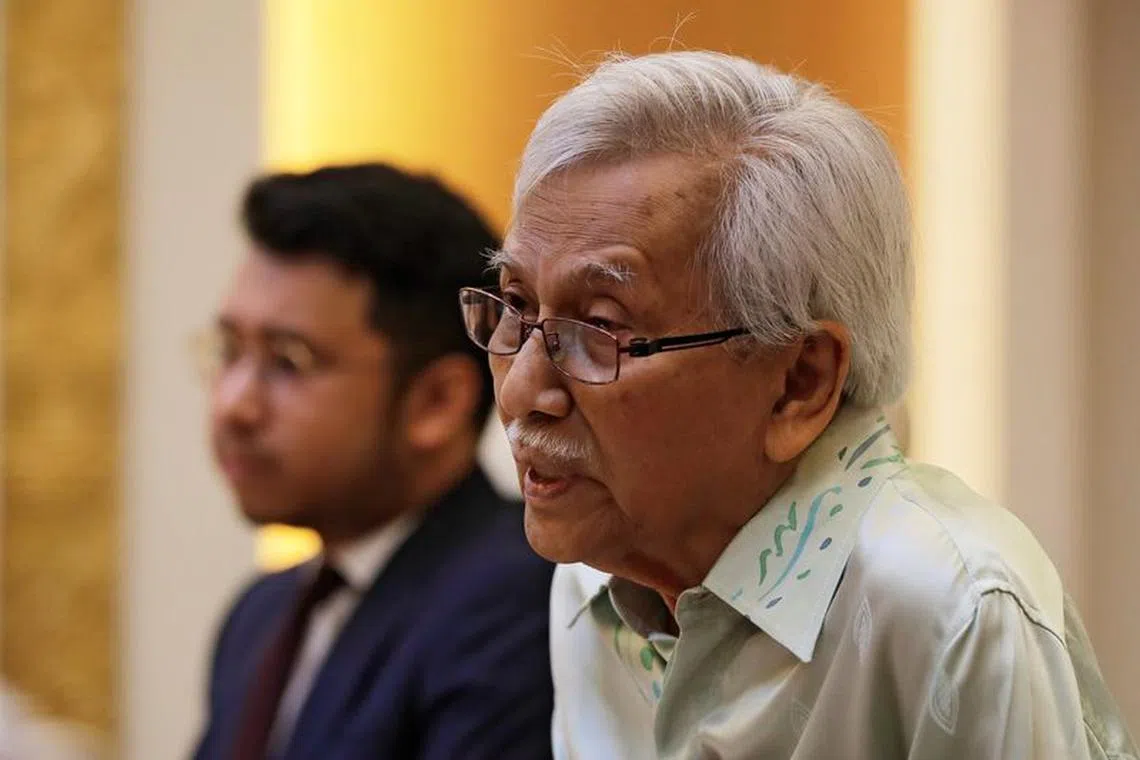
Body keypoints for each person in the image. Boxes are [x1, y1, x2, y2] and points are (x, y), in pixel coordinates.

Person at [458, 51, 1138, 759]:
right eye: (514, 304)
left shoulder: (951, 607)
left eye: (598, 329)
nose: (518, 392)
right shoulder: (595, 578)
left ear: (800, 383)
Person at [192, 163, 554, 760]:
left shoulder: (514, 604)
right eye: (229, 351)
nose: (234, 406)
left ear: (437, 402)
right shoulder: (258, 616)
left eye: (288, 361)